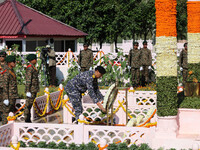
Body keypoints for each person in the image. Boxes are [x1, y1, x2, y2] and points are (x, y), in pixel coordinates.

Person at [2, 55, 18, 125]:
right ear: (9, 63)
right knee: (6, 114)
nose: (15, 63)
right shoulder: (6, 72)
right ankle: (3, 131)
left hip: (13, 95)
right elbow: (5, 86)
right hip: (8, 96)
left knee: (11, 114)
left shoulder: (12, 71)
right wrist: (6, 98)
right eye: (13, 62)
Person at [25, 54, 39, 123]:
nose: (36, 60)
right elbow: (28, 80)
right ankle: (26, 119)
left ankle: (28, 119)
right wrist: (28, 91)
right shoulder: (30, 68)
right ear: (32, 60)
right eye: (35, 59)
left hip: (33, 89)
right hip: (31, 89)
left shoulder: (33, 67)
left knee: (30, 105)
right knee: (28, 105)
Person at [0, 51, 7, 120]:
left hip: (4, 85)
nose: (1, 58)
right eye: (0, 56)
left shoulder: (7, 65)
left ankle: (3, 115)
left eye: (2, 56)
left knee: (4, 100)